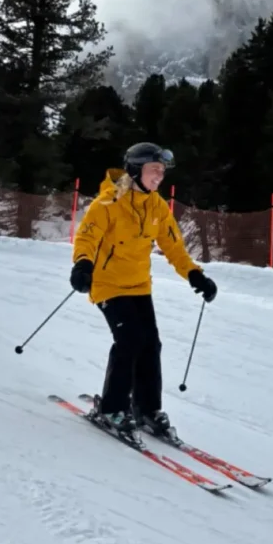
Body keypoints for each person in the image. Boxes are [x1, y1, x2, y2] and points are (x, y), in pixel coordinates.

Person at [69, 142, 217, 437]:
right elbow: (86, 238)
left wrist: (195, 275)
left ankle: (146, 409)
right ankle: (112, 408)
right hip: (108, 284)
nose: (159, 177)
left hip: (138, 285)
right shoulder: (108, 203)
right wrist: (82, 266)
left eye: (162, 171)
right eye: (154, 170)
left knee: (151, 344)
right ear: (136, 170)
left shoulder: (157, 206)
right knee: (130, 340)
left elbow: (173, 247)